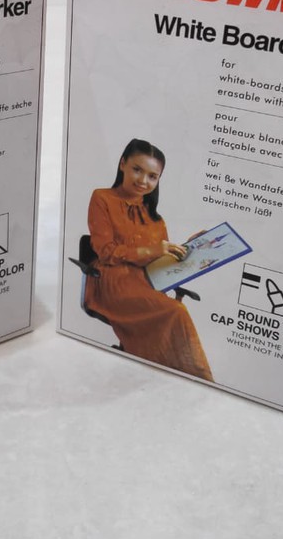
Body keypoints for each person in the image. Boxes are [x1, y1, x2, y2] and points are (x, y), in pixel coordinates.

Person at [84, 139, 214, 381]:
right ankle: (198, 379)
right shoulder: (102, 198)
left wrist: (191, 248)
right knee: (176, 311)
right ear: (122, 164)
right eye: (137, 169)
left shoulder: (156, 219)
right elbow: (105, 251)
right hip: (111, 281)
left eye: (152, 176)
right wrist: (153, 249)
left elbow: (159, 263)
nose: (143, 181)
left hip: (146, 283)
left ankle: (179, 379)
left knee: (173, 312)